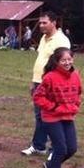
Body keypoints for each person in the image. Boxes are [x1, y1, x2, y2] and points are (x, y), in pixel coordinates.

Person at [22, 11, 71, 156]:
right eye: (40, 22)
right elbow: (41, 60)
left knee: (54, 116)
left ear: (54, 22)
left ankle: (56, 149)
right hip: (39, 82)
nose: (41, 25)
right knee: (40, 116)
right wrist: (34, 82)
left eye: (45, 22)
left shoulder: (61, 41)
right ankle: (38, 146)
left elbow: (63, 65)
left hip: (52, 84)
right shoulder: (44, 38)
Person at [34, 48, 82, 168]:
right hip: (51, 117)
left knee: (71, 148)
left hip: (68, 116)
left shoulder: (76, 75)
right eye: (63, 60)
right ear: (57, 61)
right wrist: (54, 107)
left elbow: (78, 93)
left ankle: (50, 165)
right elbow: (38, 97)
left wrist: (75, 106)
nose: (67, 62)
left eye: (69, 59)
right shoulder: (50, 77)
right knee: (60, 148)